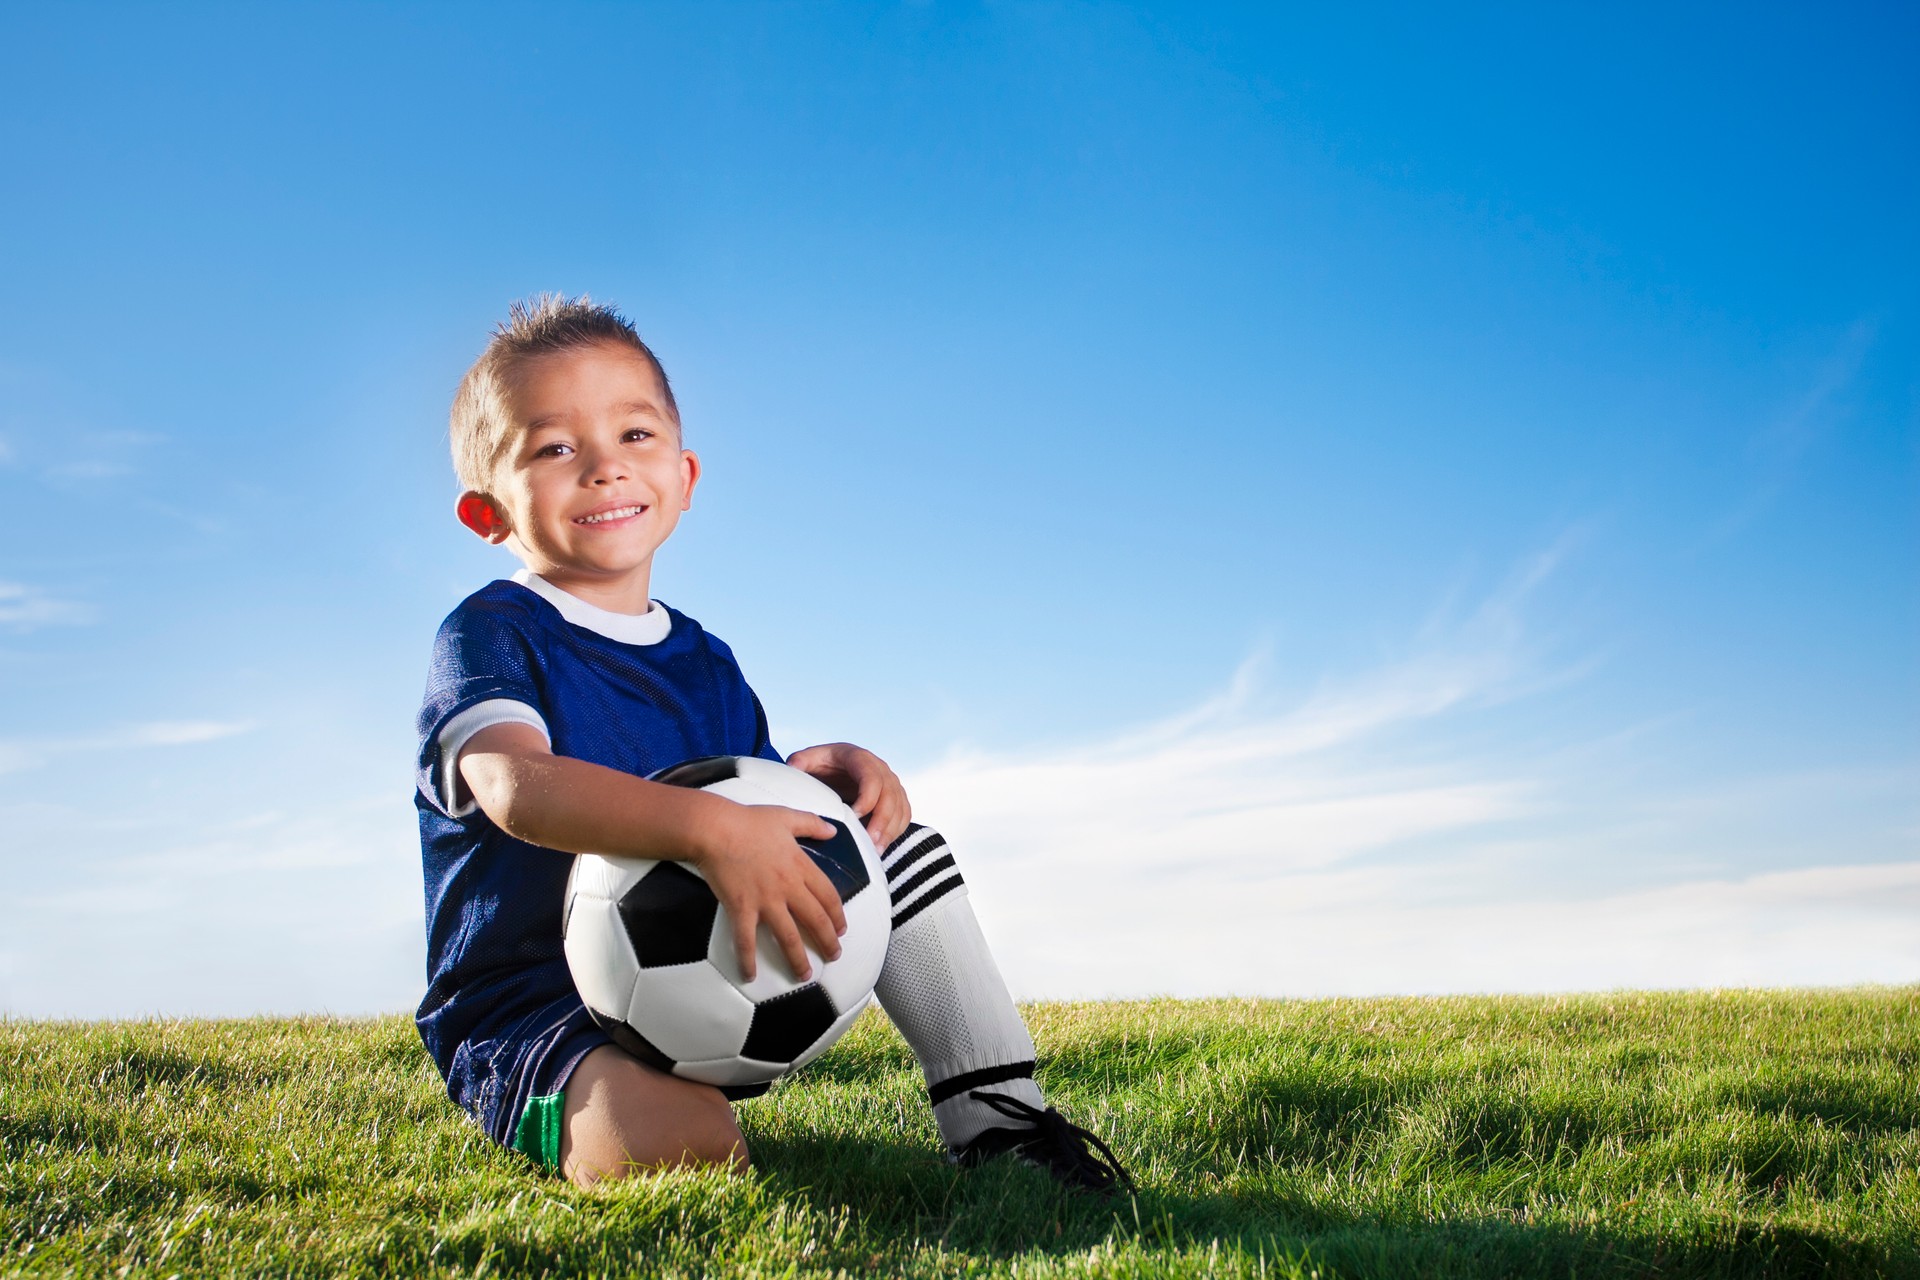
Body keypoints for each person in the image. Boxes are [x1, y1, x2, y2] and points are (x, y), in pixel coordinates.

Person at [414, 295, 1131, 1193]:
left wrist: (827, 781)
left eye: (634, 435)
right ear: (489, 515)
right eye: (555, 448)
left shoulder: (705, 659)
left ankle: (997, 1116)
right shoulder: (493, 632)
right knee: (687, 1152)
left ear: (684, 475)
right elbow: (515, 786)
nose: (603, 468)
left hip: (697, 975)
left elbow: (751, 802)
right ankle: (562, 1108)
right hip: (532, 1007)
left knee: (881, 846)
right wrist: (709, 831)